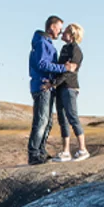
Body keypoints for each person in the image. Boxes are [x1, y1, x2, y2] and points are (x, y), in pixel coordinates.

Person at [27, 16, 77, 165]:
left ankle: (41, 151)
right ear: (52, 27)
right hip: (42, 86)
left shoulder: (46, 43)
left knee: (47, 122)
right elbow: (42, 64)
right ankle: (34, 153)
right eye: (59, 28)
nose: (60, 32)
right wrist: (63, 68)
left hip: (47, 87)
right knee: (41, 120)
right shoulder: (42, 43)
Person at [49, 23, 88, 161]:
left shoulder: (76, 51)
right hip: (60, 87)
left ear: (72, 35)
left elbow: (69, 70)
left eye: (65, 32)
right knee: (62, 119)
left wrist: (55, 83)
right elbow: (61, 68)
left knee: (72, 116)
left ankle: (82, 149)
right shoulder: (65, 48)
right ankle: (66, 151)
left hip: (69, 87)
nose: (62, 33)